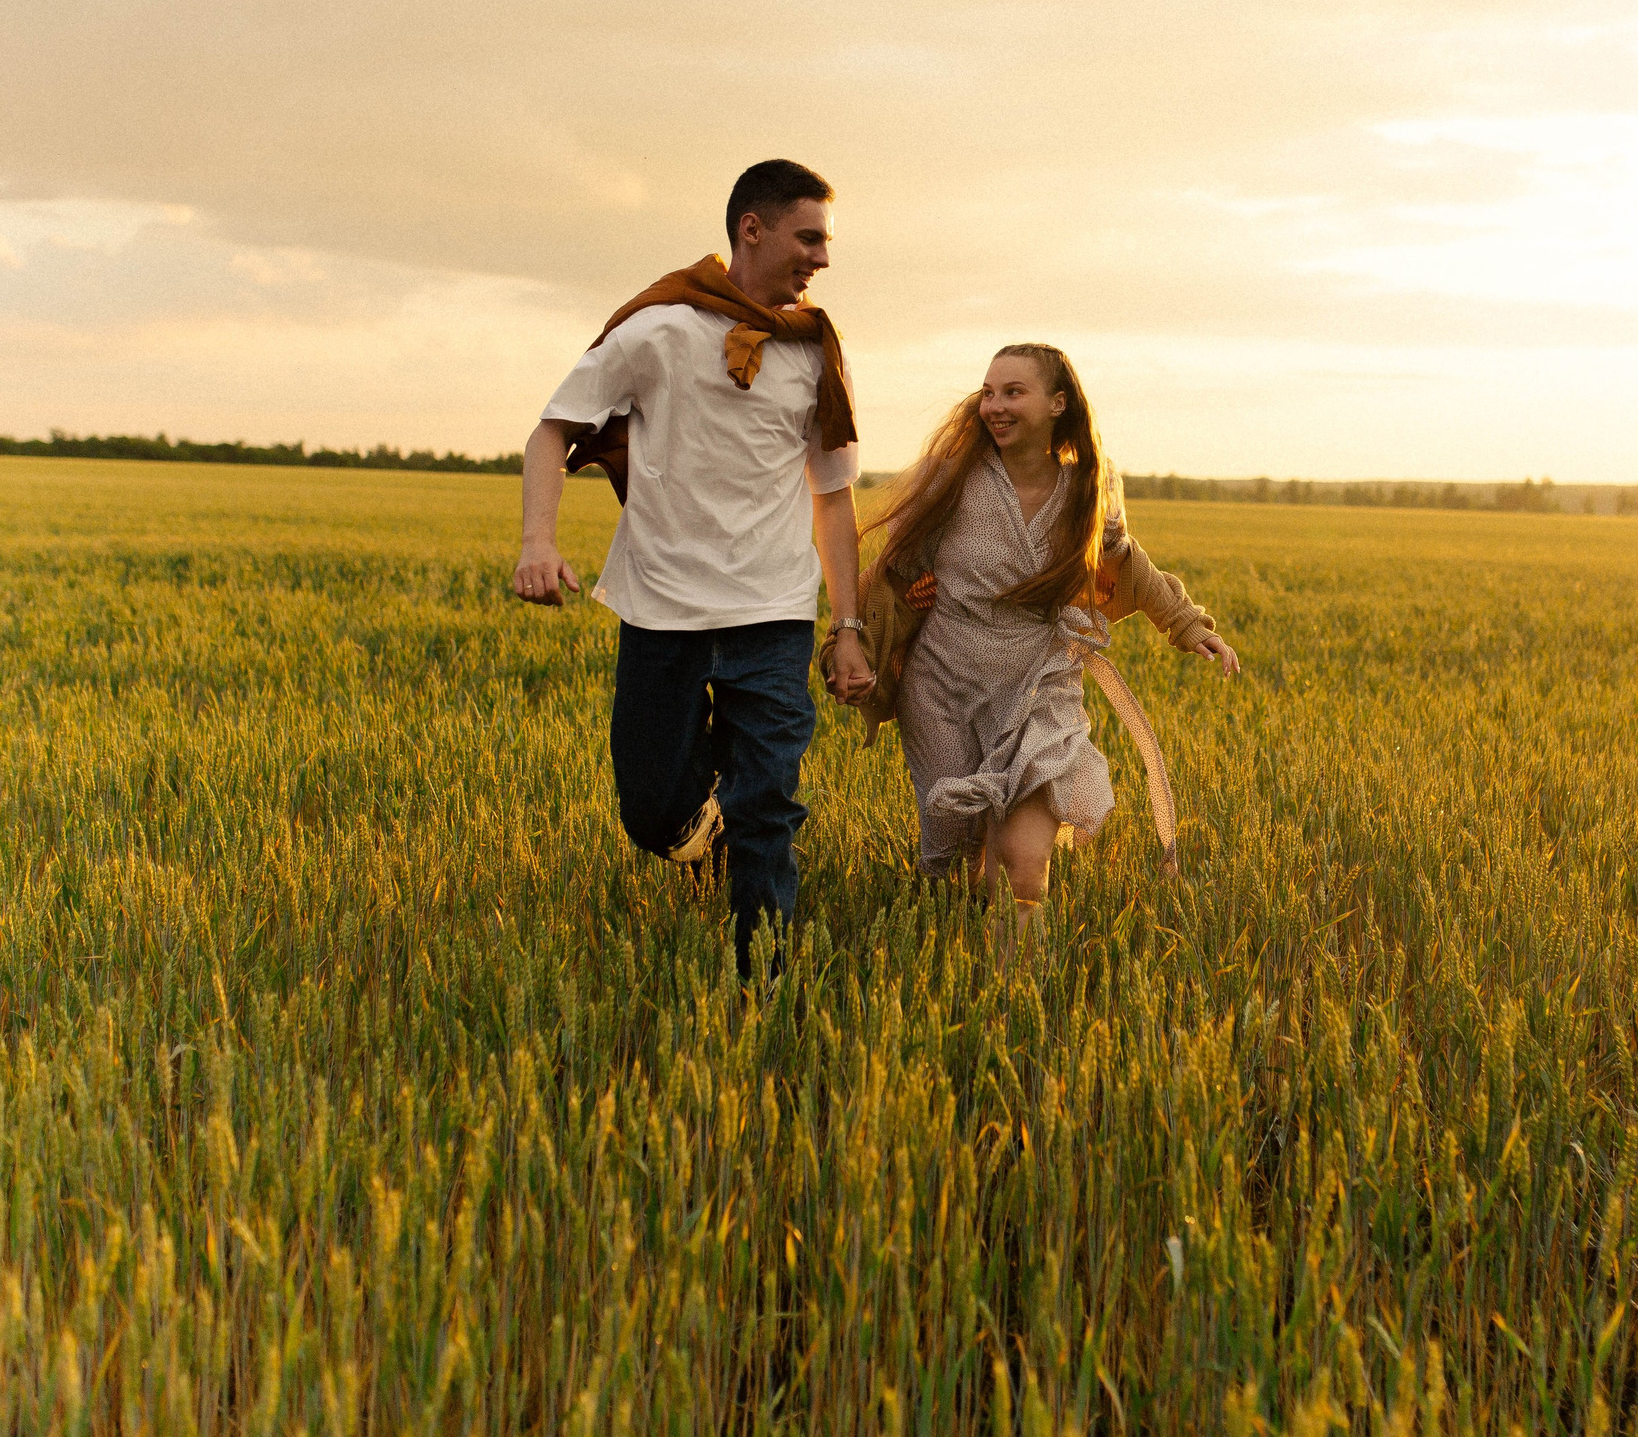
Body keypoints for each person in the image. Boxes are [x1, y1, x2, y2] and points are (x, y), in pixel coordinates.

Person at [512, 159, 874, 976]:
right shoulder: (658, 329)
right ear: (753, 228)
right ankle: (704, 833)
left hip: (774, 612)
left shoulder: (817, 352)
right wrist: (539, 543)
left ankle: (765, 987)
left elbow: (834, 499)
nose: (822, 258)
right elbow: (552, 430)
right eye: (809, 237)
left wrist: (846, 626)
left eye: (826, 241)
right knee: (649, 808)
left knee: (768, 804)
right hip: (662, 610)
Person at [853, 344, 1236, 948]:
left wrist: (1186, 624)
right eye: (988, 392)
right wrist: (852, 644)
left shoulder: (1090, 486)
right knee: (953, 849)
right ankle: (942, 955)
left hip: (1040, 684)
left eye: (1013, 392)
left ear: (1058, 404)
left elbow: (1124, 562)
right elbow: (892, 570)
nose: (995, 406)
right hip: (944, 683)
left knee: (1024, 863)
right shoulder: (950, 478)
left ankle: (1013, 1000)